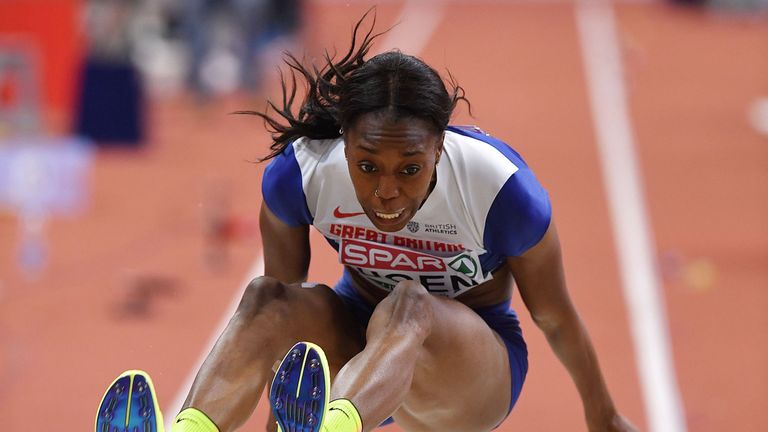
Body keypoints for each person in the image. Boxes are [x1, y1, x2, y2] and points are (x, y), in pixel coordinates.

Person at [96, 10, 638, 432]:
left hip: (468, 375)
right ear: (345, 144)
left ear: (440, 148)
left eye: (410, 169)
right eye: (366, 165)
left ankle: (336, 425)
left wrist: (603, 414)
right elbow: (286, 336)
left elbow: (556, 319)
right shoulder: (304, 173)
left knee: (408, 305)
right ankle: (190, 425)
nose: (386, 191)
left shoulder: (499, 189)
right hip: (359, 350)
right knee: (264, 298)